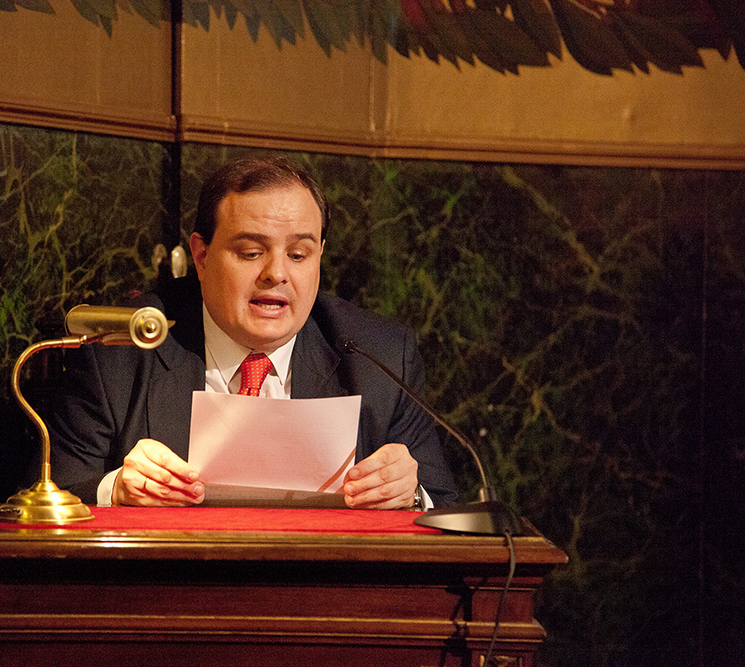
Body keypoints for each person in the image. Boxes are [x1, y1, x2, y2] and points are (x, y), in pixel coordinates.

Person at [47, 155, 458, 509]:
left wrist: (410, 493)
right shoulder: (120, 350)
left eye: (298, 254)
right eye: (251, 253)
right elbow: (49, 494)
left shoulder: (379, 357)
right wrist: (116, 488)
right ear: (201, 256)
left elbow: (444, 505)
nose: (276, 273)